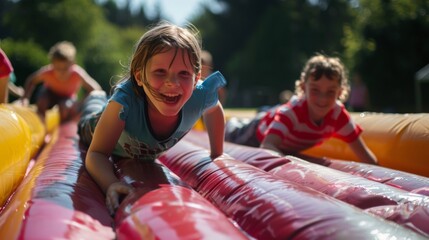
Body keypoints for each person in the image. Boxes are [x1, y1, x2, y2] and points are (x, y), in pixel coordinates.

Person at [77, 21, 226, 215]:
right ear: (139, 77)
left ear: (197, 77)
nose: (172, 83)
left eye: (183, 74)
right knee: (94, 107)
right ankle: (95, 96)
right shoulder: (125, 102)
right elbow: (96, 154)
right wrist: (111, 184)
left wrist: (217, 153)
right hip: (95, 125)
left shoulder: (201, 95)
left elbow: (214, 110)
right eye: (160, 72)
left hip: (134, 143)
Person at [225, 54, 378, 165]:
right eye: (315, 90)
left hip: (277, 122)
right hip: (257, 132)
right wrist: (292, 165)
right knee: (232, 134)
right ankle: (232, 122)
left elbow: (365, 156)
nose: (322, 99)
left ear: (340, 92)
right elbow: (267, 145)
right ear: (304, 88)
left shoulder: (339, 115)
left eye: (330, 92)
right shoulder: (292, 113)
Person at [21, 41, 102, 122]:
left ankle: (63, 126)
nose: (61, 72)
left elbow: (96, 88)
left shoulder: (77, 73)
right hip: (50, 93)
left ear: (72, 64)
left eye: (65, 69)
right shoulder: (48, 72)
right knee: (42, 100)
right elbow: (32, 80)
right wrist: (25, 98)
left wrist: (79, 104)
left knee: (65, 106)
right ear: (52, 64)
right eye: (58, 69)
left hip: (67, 98)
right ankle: (41, 123)